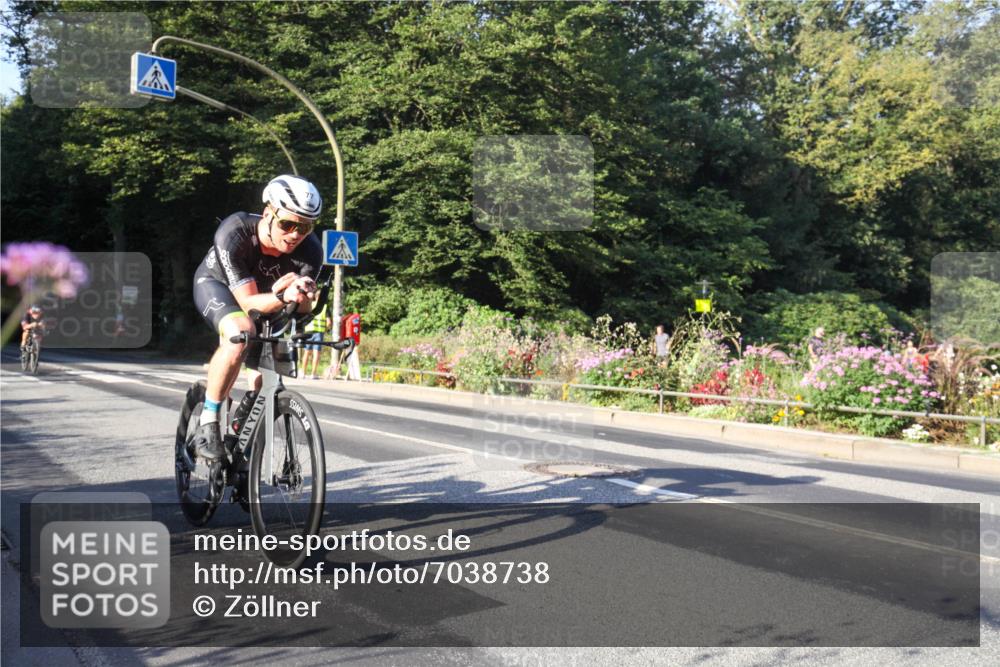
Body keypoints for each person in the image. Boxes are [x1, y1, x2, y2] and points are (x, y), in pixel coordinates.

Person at [190, 175, 324, 462]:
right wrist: (282, 297)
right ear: (268, 213)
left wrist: (304, 297)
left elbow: (302, 311)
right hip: (219, 287)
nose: (295, 234)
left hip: (270, 296)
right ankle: (208, 420)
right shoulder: (235, 232)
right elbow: (248, 303)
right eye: (288, 224)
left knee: (266, 376)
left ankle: (241, 439)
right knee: (241, 332)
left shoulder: (311, 250)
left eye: (305, 227)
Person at [301, 302, 331, 379]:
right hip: (319, 332)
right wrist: (326, 329)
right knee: (316, 353)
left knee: (306, 352)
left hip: (308, 332)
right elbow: (328, 323)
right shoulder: (325, 307)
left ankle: (303, 373)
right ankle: (313, 374)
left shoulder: (309, 304)